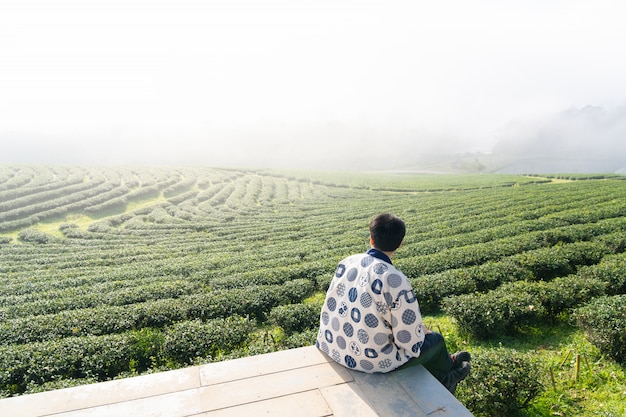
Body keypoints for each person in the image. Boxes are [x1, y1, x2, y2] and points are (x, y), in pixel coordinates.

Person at [316, 213, 470, 394]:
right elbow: (408, 340)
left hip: (332, 345)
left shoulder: (347, 262)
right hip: (369, 360)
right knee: (435, 341)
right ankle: (448, 377)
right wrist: (421, 332)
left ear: (371, 238)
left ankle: (450, 367)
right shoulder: (394, 279)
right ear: (400, 244)